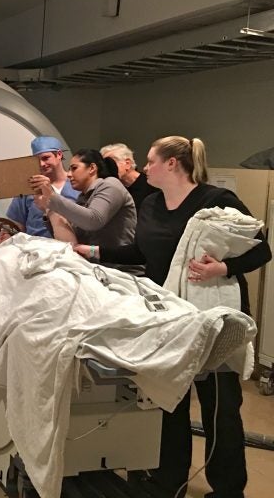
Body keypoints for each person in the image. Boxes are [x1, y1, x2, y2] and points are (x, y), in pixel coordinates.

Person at [76, 136, 271, 498]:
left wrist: (224, 267)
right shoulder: (151, 204)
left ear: (172, 164)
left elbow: (263, 248)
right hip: (170, 316)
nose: (144, 168)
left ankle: (228, 490)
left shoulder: (216, 202)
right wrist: (92, 251)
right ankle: (169, 482)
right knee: (169, 400)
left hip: (212, 315)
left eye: (150, 161)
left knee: (219, 409)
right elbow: (142, 250)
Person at [33, 149, 136, 252]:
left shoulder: (111, 185)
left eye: (74, 168)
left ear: (92, 168)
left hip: (119, 266)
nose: (69, 174)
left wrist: (52, 197)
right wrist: (49, 209)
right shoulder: (82, 197)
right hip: (93, 265)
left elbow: (94, 220)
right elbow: (70, 242)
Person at [6, 135, 79, 237]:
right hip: (35, 248)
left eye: (45, 158)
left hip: (69, 248)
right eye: (37, 160)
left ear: (59, 155)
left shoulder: (77, 185)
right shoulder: (29, 188)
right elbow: (17, 226)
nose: (41, 164)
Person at [100, 142, 158, 211]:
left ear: (127, 163)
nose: (107, 168)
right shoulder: (113, 188)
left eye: (111, 163)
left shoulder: (152, 185)